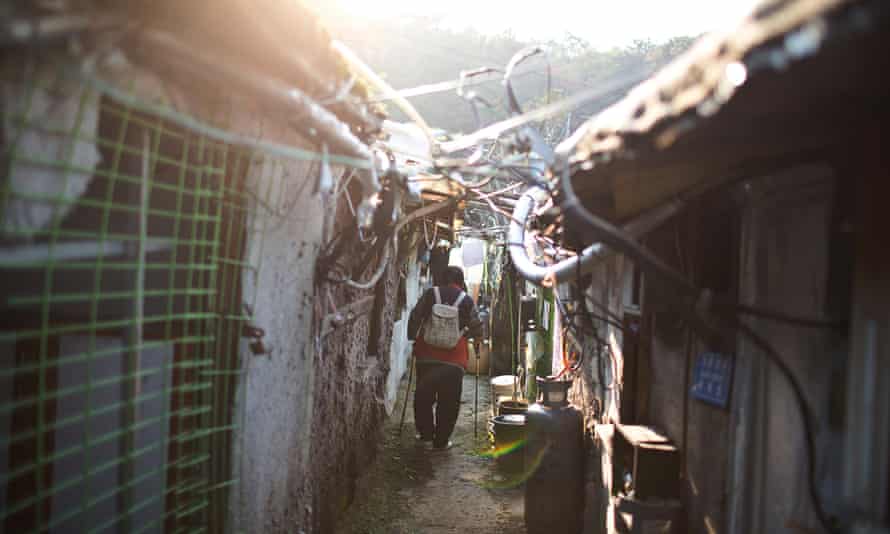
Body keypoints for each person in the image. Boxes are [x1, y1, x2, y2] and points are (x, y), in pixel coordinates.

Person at [408, 266, 483, 451]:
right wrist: (478, 343)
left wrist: (412, 337)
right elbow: (476, 326)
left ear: (442, 278)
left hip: (427, 355)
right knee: (449, 401)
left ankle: (425, 434)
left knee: (424, 396)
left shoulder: (430, 294)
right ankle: (441, 441)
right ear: (461, 280)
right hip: (454, 360)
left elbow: (415, 316)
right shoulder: (466, 300)